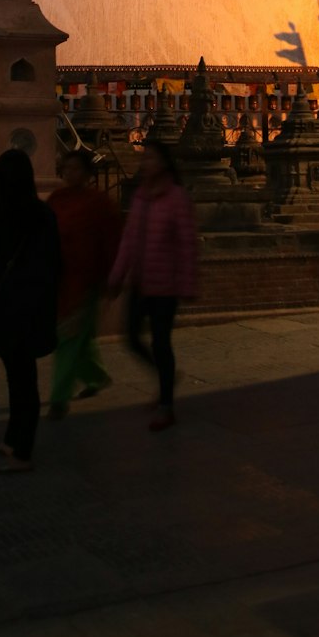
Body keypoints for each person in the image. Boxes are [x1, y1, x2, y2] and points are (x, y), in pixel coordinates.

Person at [0, 148, 60, 473]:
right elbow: (55, 263)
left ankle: (22, 453)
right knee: (22, 378)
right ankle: (11, 439)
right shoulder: (44, 216)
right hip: (35, 308)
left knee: (19, 381)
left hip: (6, 310)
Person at [109, 141, 198, 432]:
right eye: (143, 157)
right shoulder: (140, 197)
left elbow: (186, 244)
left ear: (163, 163)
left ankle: (166, 405)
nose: (145, 162)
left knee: (161, 343)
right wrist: (117, 275)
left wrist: (187, 283)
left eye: (150, 158)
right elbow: (128, 239)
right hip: (140, 281)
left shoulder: (176, 197)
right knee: (132, 337)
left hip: (165, 285)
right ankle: (166, 379)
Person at [46, 148, 122, 418]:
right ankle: (96, 377)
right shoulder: (56, 199)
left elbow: (112, 243)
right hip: (61, 278)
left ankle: (59, 395)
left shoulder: (100, 203)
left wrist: (112, 278)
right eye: (67, 168)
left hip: (87, 280)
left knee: (68, 338)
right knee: (76, 337)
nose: (70, 173)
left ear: (88, 173)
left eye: (76, 168)